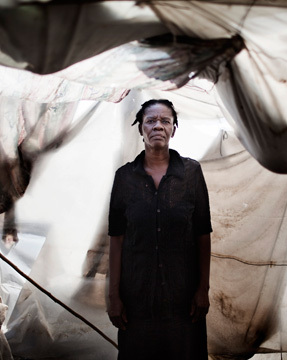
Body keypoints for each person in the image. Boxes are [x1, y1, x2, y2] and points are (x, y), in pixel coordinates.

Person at [107, 99, 212, 360]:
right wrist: (113, 296)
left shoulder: (191, 173)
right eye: (151, 121)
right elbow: (117, 240)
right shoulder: (124, 178)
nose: (158, 126)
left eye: (165, 121)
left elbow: (203, 235)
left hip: (183, 299)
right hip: (137, 298)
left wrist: (202, 290)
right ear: (141, 128)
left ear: (174, 129)